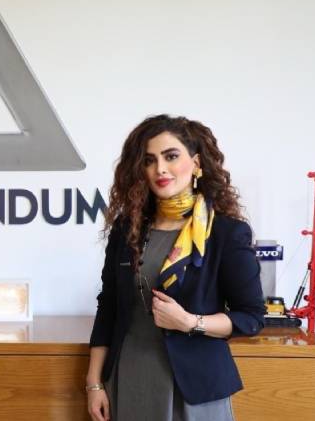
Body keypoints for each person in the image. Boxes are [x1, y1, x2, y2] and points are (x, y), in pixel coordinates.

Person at [86, 115, 265, 421]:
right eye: (149, 160)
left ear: (196, 163)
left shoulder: (226, 233)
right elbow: (109, 307)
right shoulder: (127, 229)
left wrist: (190, 322)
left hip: (196, 387)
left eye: (171, 156)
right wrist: (93, 383)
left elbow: (251, 317)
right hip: (131, 375)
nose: (160, 169)